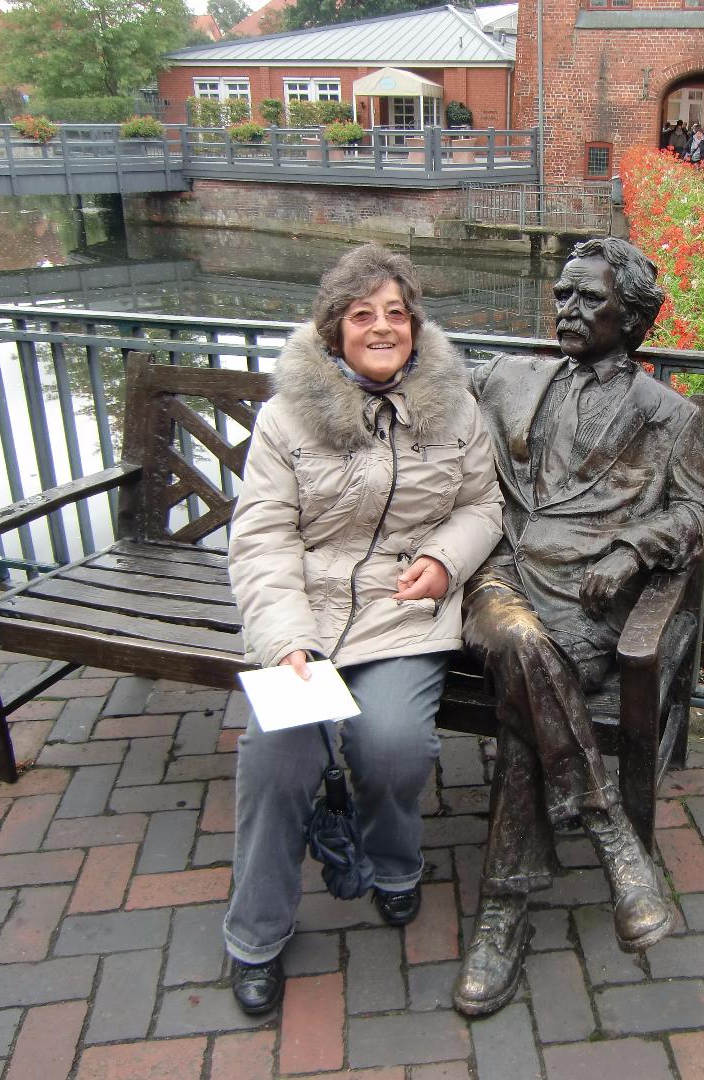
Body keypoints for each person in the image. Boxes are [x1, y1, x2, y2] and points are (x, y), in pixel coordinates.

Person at [224, 245, 504, 1016]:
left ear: (414, 324)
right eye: (362, 314)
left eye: (396, 313)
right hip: (305, 613)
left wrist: (445, 562)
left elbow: (483, 505)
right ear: (334, 329)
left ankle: (393, 865)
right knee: (278, 755)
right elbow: (263, 539)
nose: (382, 327)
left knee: (392, 743)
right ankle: (255, 935)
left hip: (401, 611)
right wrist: (287, 640)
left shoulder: (454, 406)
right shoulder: (285, 417)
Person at [452, 237, 704, 1018]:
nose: (567, 309)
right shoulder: (511, 377)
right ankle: (607, 827)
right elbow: (424, 376)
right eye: (562, 295)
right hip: (500, 575)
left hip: (584, 603)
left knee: (530, 684)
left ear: (631, 318)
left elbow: (702, 512)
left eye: (588, 299)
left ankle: (504, 910)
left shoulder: (666, 416)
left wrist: (636, 547)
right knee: (522, 644)